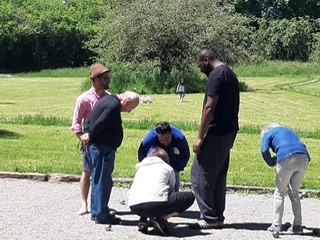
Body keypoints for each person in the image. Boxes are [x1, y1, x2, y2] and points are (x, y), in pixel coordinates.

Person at [189, 49, 239, 229]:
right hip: (229, 131)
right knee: (218, 175)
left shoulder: (216, 76)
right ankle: (217, 216)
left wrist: (200, 136)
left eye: (200, 65)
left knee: (199, 175)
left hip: (216, 132)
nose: (200, 69)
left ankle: (209, 217)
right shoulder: (229, 73)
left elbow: (209, 107)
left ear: (206, 60)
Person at [80, 91, 140, 225]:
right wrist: (90, 134)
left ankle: (96, 212)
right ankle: (102, 214)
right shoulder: (113, 105)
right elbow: (101, 121)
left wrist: (89, 134)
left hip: (97, 147)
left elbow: (92, 119)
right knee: (103, 180)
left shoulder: (107, 100)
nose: (130, 111)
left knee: (97, 178)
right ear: (127, 101)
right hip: (102, 148)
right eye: (132, 108)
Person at [70, 63, 111, 215]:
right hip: (90, 142)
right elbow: (75, 122)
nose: (108, 81)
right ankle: (84, 204)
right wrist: (81, 137)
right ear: (96, 80)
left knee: (104, 174)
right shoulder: (83, 99)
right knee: (87, 172)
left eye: (108, 78)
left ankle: (101, 205)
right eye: (105, 78)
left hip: (105, 142)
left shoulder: (109, 98)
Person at [128, 147, 195, 236]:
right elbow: (171, 190)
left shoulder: (140, 168)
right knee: (190, 196)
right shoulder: (167, 168)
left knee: (145, 194)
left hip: (134, 206)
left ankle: (143, 219)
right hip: (157, 204)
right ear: (165, 159)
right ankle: (162, 218)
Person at [260, 123, 310, 233]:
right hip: (304, 157)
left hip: (287, 156)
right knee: (294, 192)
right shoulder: (288, 130)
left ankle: (276, 225)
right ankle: (297, 225)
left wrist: (270, 161)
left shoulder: (268, 133)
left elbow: (264, 150)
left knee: (279, 192)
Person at [138, 122, 190, 191]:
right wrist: (147, 166)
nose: (165, 142)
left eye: (167, 139)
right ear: (157, 135)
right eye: (162, 140)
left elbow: (185, 155)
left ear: (171, 133)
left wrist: (177, 168)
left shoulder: (180, 138)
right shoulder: (151, 137)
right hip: (157, 153)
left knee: (174, 181)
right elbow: (142, 151)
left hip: (173, 155)